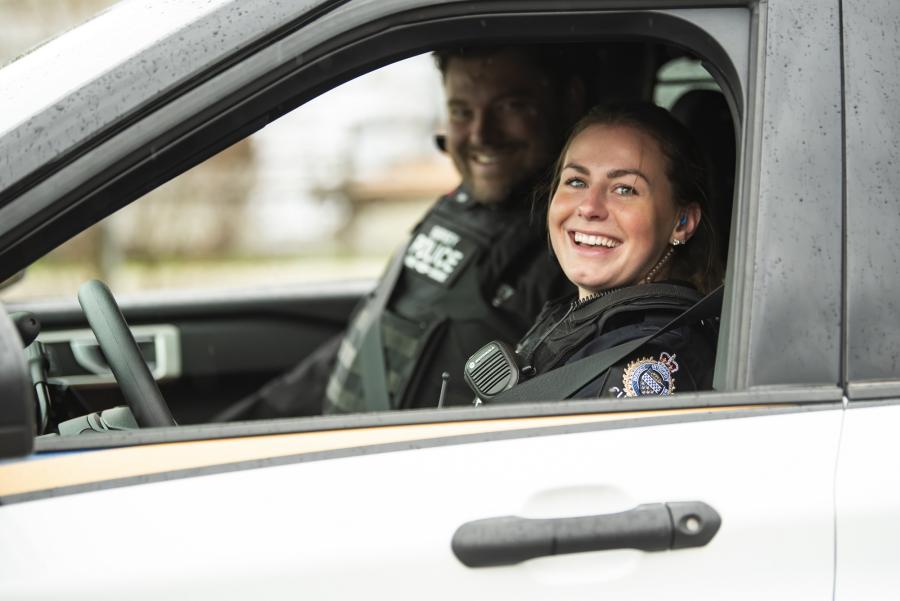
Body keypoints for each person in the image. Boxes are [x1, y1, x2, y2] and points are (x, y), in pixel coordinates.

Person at [218, 45, 584, 420]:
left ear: (569, 100)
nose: (480, 134)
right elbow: (371, 337)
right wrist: (237, 430)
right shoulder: (460, 204)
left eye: (510, 106)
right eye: (461, 112)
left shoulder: (574, 250)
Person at [473, 102, 723, 401]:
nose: (590, 207)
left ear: (682, 222)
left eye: (624, 189)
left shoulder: (653, 356)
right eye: (576, 181)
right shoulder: (583, 320)